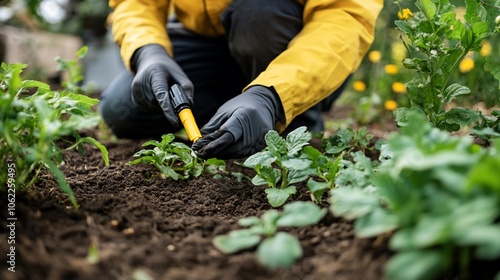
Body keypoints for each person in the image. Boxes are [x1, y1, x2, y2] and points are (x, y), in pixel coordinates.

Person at [100, 0, 383, 159]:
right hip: (205, 39)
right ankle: (235, 114)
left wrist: (273, 95)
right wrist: (148, 50)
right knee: (124, 108)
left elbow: (345, 15)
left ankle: (289, 123)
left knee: (259, 12)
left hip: (288, 40)